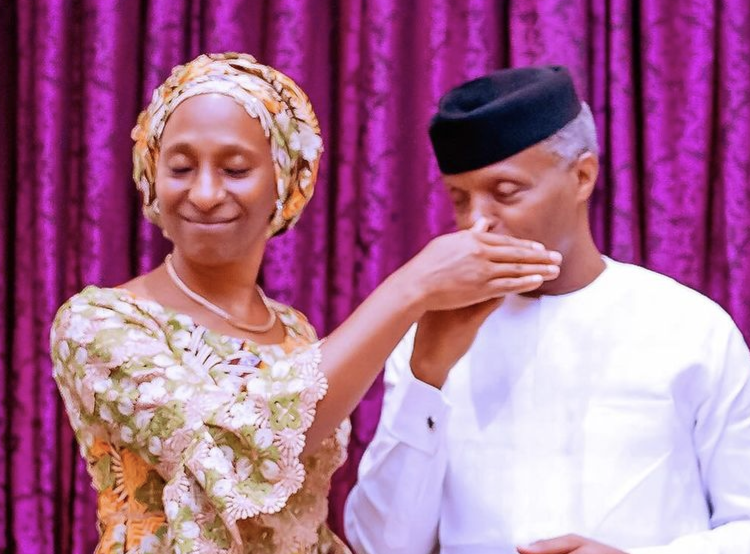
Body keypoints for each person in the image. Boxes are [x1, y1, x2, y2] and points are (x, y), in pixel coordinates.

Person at [49, 53, 563, 554]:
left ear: (285, 181)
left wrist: (429, 364)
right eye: (181, 167)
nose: (204, 193)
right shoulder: (100, 323)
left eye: (234, 168)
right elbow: (233, 455)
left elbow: (301, 528)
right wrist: (409, 289)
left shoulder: (293, 332)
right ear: (152, 175)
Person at [344, 65, 750, 554]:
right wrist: (426, 377)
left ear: (582, 176)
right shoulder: (425, 339)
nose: (477, 224)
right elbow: (382, 546)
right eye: (459, 199)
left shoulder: (689, 327)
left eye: (505, 192)